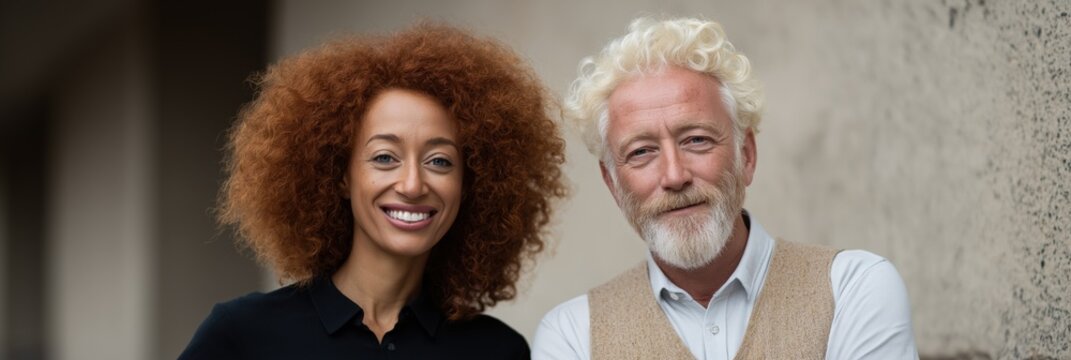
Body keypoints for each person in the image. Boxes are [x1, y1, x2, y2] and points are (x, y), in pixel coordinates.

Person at [532, 17, 917, 359]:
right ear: (613, 184)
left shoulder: (853, 288)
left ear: (746, 155)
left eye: (696, 140)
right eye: (642, 152)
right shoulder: (571, 336)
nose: (674, 175)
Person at [179, 23, 567, 360]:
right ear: (340, 175)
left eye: (440, 161)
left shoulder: (497, 353)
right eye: (384, 157)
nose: (413, 184)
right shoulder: (243, 336)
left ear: (470, 184)